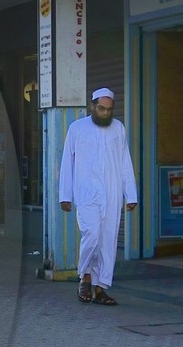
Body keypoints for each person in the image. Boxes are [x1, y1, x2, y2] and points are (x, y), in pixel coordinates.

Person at [58, 87, 138, 305]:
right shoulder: (77, 128)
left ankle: (101, 287)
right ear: (92, 106)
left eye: (109, 110)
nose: (105, 113)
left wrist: (130, 194)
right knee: (91, 234)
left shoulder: (118, 128)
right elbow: (67, 162)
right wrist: (65, 195)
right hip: (85, 192)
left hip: (112, 193)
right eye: (101, 108)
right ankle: (84, 276)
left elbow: (125, 162)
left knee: (108, 240)